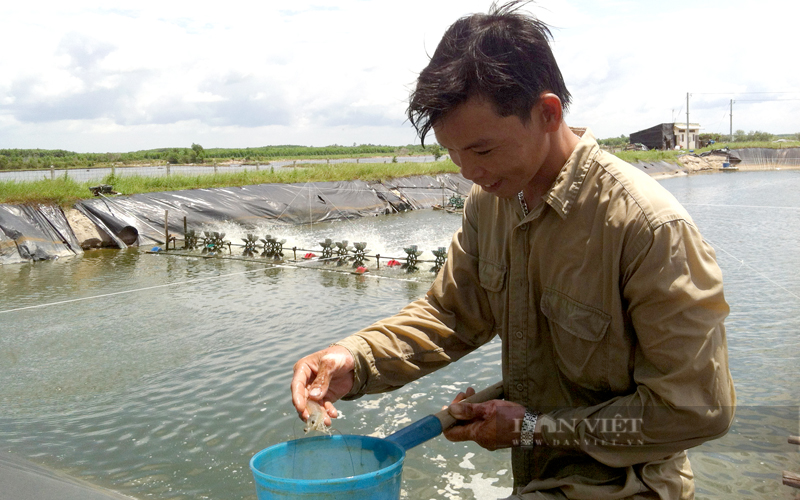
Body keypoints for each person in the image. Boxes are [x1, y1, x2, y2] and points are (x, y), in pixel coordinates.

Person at [290, 1, 735, 498]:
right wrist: (356, 358)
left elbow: (694, 409)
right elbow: (451, 313)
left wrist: (535, 428)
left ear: (547, 113)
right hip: (536, 478)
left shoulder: (646, 228)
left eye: (481, 150)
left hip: (628, 486)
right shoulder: (493, 201)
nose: (467, 171)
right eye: (452, 152)